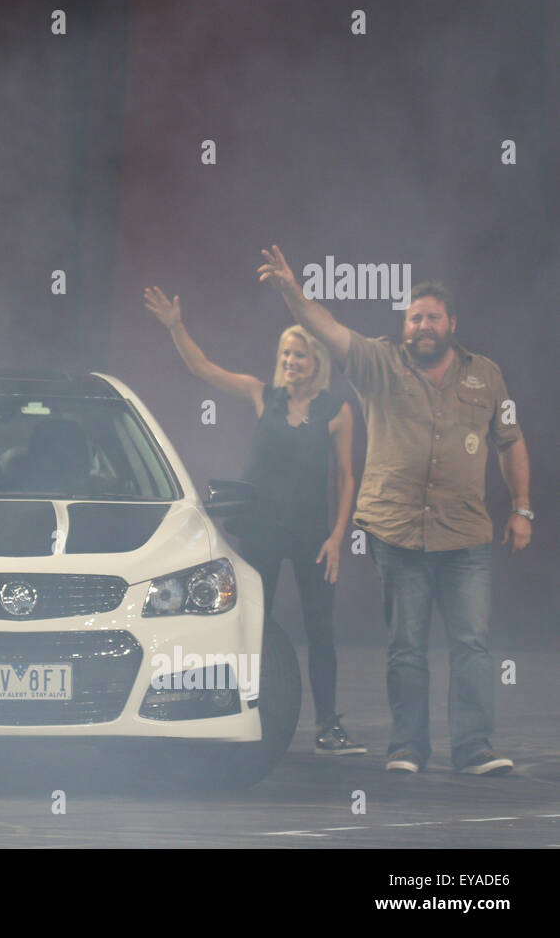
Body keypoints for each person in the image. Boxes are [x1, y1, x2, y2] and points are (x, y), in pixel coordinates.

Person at [259, 245, 530, 775]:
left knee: (472, 645)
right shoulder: (378, 362)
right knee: (406, 647)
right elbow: (328, 326)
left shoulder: (488, 377)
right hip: (398, 533)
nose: (422, 325)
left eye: (431, 317)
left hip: (466, 535)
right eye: (413, 318)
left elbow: (511, 440)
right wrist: (291, 290)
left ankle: (475, 746)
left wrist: (523, 509)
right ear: (403, 326)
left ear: (452, 323)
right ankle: (408, 747)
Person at [144, 286, 365, 755]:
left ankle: (328, 726)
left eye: (300, 354)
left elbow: (346, 477)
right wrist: (175, 325)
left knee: (320, 628)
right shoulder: (262, 395)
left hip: (312, 536)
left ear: (317, 361)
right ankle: (244, 714)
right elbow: (203, 368)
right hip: (262, 530)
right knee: (251, 623)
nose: (291, 361)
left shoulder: (337, 411)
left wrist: (337, 536)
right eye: (286, 353)